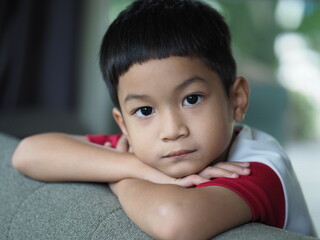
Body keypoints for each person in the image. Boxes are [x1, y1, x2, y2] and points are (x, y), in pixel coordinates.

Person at [12, 0, 315, 239]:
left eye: (191, 99)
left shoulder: (258, 166)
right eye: (145, 111)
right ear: (123, 124)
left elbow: (173, 222)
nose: (172, 131)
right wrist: (136, 167)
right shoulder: (138, 151)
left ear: (236, 100)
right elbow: (28, 153)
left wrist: (119, 179)